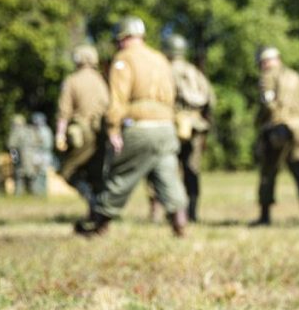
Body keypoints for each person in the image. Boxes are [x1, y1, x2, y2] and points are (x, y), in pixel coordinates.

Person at [74, 16, 189, 237]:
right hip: (166, 128)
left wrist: (113, 129)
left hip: (139, 127)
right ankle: (180, 222)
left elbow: (117, 100)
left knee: (120, 175)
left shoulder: (123, 60)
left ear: (123, 37)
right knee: (168, 175)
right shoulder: (160, 59)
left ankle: (98, 224)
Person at [251, 46, 299, 226]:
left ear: (265, 62)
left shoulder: (267, 76)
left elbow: (267, 102)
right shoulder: (296, 76)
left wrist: (261, 121)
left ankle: (264, 215)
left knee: (268, 172)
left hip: (279, 129)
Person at [162, 34, 215, 222]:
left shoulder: (164, 70)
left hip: (171, 125)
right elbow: (211, 100)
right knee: (192, 169)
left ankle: (171, 212)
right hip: (196, 127)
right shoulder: (195, 72)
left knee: (166, 169)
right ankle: (192, 212)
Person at [56, 43, 110, 210]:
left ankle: (93, 203)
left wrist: (60, 134)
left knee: (67, 171)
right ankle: (99, 210)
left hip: (82, 133)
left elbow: (64, 111)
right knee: (96, 174)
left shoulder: (72, 81)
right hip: (101, 133)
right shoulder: (102, 80)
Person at [8, 113, 52, 196]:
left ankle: (19, 195)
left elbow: (12, 147)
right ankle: (36, 195)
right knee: (33, 176)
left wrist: (14, 160)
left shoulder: (15, 132)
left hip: (22, 156)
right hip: (34, 157)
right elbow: (40, 142)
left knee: (19, 176)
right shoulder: (31, 129)